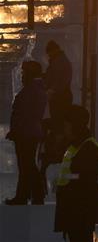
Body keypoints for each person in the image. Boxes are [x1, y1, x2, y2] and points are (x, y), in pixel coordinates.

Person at [54, 105, 98, 242]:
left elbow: (83, 179)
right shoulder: (74, 147)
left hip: (80, 212)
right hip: (72, 210)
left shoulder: (89, 148)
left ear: (75, 126)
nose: (65, 129)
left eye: (67, 125)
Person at [4, 61, 47, 205]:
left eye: (24, 72)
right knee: (27, 164)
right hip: (27, 132)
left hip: (25, 133)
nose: (22, 75)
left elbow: (24, 114)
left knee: (26, 165)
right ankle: (32, 194)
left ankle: (25, 195)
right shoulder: (35, 89)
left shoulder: (31, 90)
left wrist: (16, 130)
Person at [44, 40, 73, 122]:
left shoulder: (58, 62)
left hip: (59, 97)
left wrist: (51, 90)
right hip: (61, 96)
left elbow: (60, 80)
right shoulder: (60, 60)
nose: (48, 56)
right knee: (59, 120)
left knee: (58, 120)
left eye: (49, 53)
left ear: (52, 51)